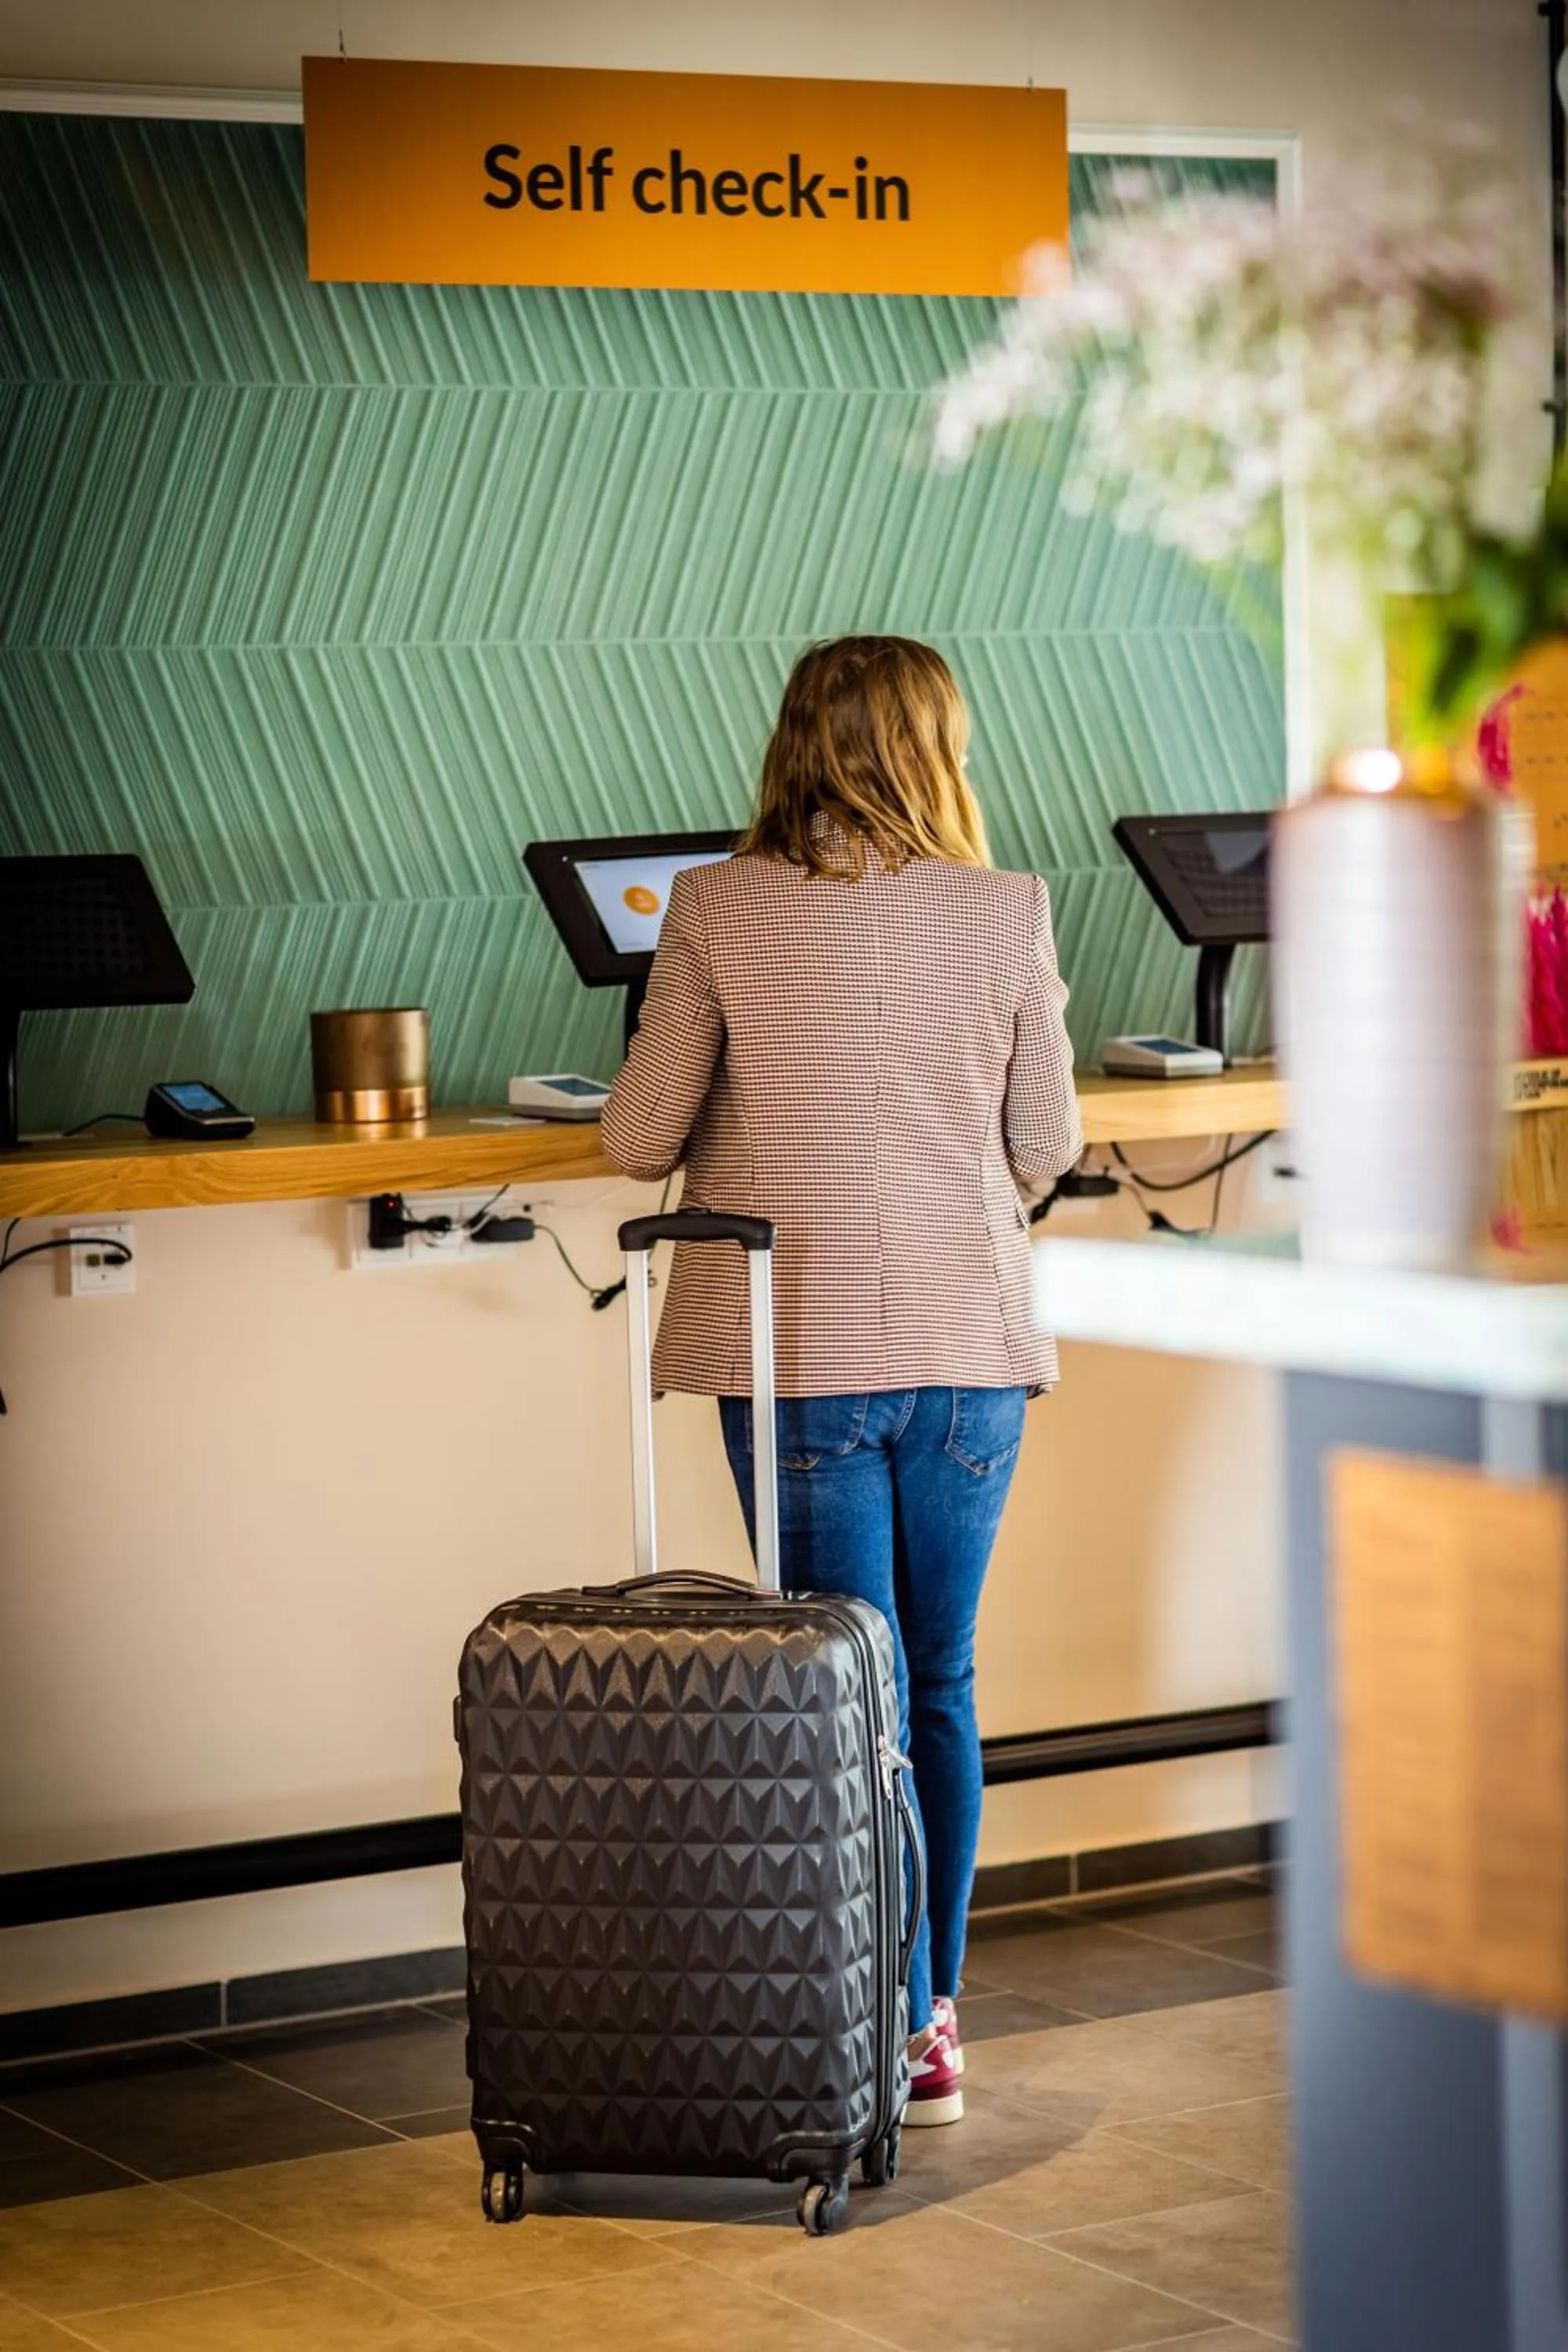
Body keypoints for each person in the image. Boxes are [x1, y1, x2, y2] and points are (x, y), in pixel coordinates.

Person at [601, 635, 1082, 2125]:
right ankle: (930, 2027)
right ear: (943, 749)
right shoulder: (1007, 910)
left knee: (832, 1697)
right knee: (934, 1681)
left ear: (790, 742)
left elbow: (636, 1138)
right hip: (964, 1358)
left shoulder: (714, 906)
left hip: (794, 1355)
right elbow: (1048, 1142)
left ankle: (840, 2020)